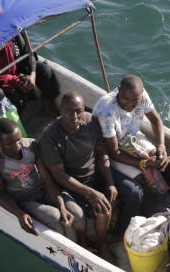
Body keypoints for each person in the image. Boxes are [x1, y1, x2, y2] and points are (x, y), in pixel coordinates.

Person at [40, 92, 144, 263]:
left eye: (78, 111)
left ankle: (119, 234)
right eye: (68, 111)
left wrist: (110, 183)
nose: (74, 117)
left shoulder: (90, 121)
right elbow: (59, 175)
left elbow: (102, 154)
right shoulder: (50, 137)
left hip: (96, 172)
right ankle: (103, 244)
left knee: (134, 191)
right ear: (60, 110)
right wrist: (90, 193)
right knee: (102, 208)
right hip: (74, 183)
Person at [0, 117, 83, 236]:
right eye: (10, 143)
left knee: (77, 213)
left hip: (43, 189)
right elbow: (0, 194)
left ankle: (84, 242)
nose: (18, 145)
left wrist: (62, 206)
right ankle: (64, 248)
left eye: (19, 139)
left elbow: (47, 179)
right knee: (54, 216)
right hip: (24, 199)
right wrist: (19, 214)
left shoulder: (31, 145)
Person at [93, 75, 170, 181]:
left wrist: (161, 146)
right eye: (125, 98)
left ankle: (165, 181)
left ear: (141, 93)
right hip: (110, 147)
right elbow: (115, 152)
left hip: (131, 136)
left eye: (135, 100)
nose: (130, 104)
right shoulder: (106, 112)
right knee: (142, 178)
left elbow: (156, 121)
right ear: (119, 89)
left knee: (159, 158)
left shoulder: (143, 95)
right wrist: (143, 163)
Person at [0, 32, 60, 116]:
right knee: (18, 100)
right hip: (1, 81)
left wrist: (32, 74)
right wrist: (16, 81)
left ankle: (45, 109)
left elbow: (29, 53)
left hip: (19, 70)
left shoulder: (15, 32)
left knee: (46, 71)